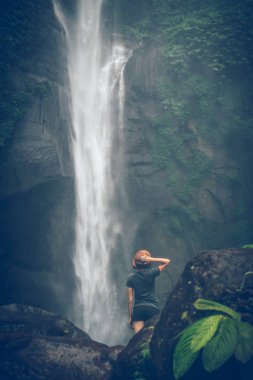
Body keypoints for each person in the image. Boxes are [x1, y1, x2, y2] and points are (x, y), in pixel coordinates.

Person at [126, 249, 171, 334]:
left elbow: (130, 300)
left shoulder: (131, 278)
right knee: (153, 337)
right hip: (152, 309)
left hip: (138, 310)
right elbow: (167, 261)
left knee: (138, 340)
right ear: (148, 263)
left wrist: (131, 317)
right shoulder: (152, 272)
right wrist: (151, 259)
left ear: (135, 263)